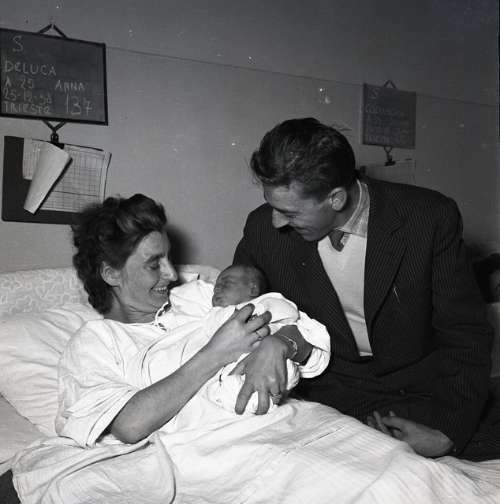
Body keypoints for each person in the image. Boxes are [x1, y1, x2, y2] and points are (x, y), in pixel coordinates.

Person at [12, 194, 500, 503]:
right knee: (374, 491)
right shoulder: (96, 342)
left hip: (298, 420)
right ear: (110, 274)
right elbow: (130, 424)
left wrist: (281, 345)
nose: (172, 274)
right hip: (225, 450)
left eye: (170, 259)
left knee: (414, 476)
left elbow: (299, 325)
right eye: (153, 264)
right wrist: (217, 352)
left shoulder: (199, 298)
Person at [233, 117, 497, 460]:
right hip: (331, 393)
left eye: (290, 213)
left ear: (336, 198)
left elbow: (465, 332)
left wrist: (447, 433)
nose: (276, 221)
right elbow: (235, 312)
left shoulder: (428, 217)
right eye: (273, 206)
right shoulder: (262, 230)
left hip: (431, 392)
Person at [161, 264, 330, 413]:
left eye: (226, 283)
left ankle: (261, 397)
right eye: (216, 287)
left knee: (278, 373)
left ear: (253, 289)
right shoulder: (212, 314)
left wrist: (259, 317)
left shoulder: (266, 302)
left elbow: (290, 314)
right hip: (229, 369)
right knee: (222, 388)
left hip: (272, 360)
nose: (217, 289)